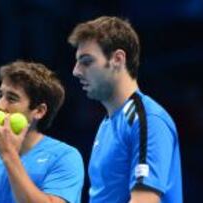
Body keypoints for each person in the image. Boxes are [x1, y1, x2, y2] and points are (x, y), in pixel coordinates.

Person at [68, 16, 182, 203]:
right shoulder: (108, 122)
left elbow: (145, 200)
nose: (76, 71)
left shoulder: (148, 119)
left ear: (117, 59)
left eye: (86, 61)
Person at [0, 61, 84, 203]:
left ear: (39, 111)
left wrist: (9, 155)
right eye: (0, 95)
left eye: (12, 99)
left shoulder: (65, 156)